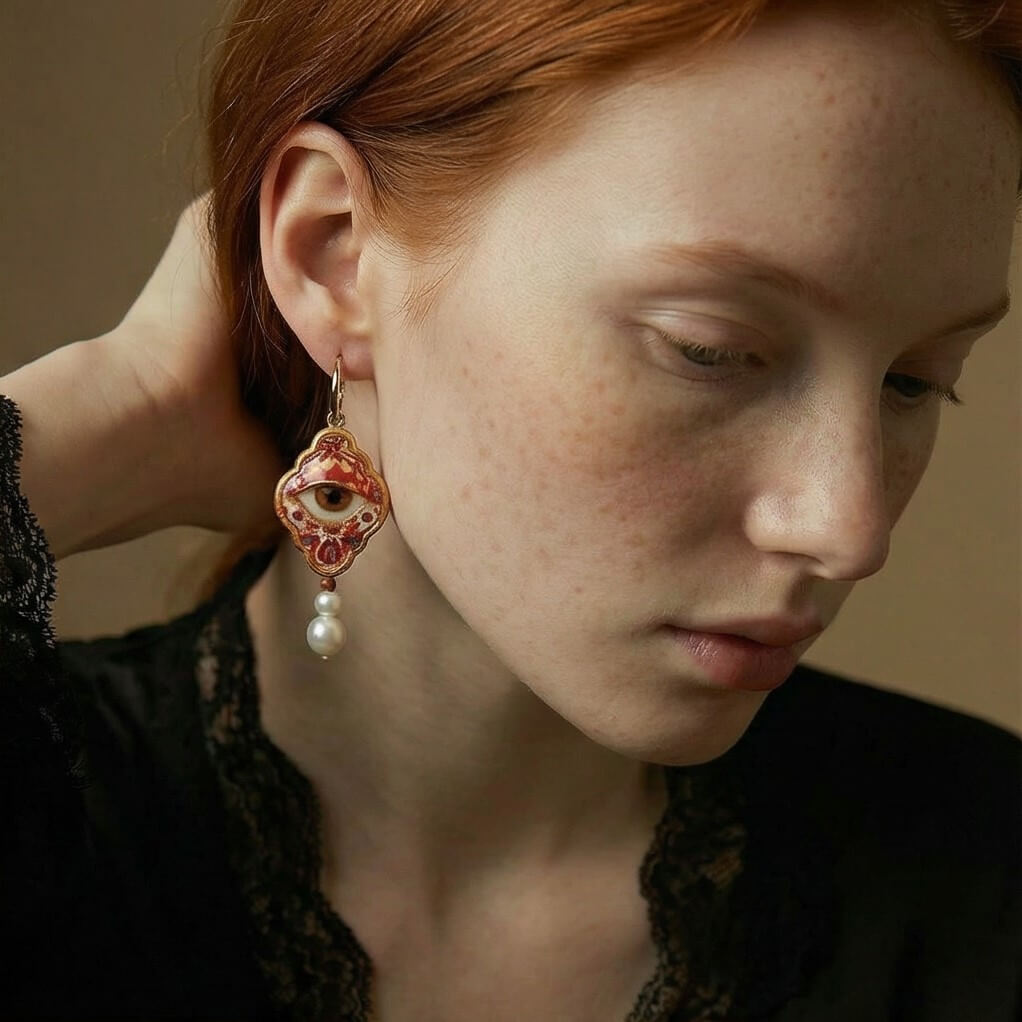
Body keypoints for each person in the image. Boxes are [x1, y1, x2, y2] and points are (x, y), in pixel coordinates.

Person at [1, 0, 1019, 1018]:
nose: (848, 529)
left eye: (914, 380)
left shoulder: (983, 872)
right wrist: (100, 420)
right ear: (336, 254)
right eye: (709, 348)